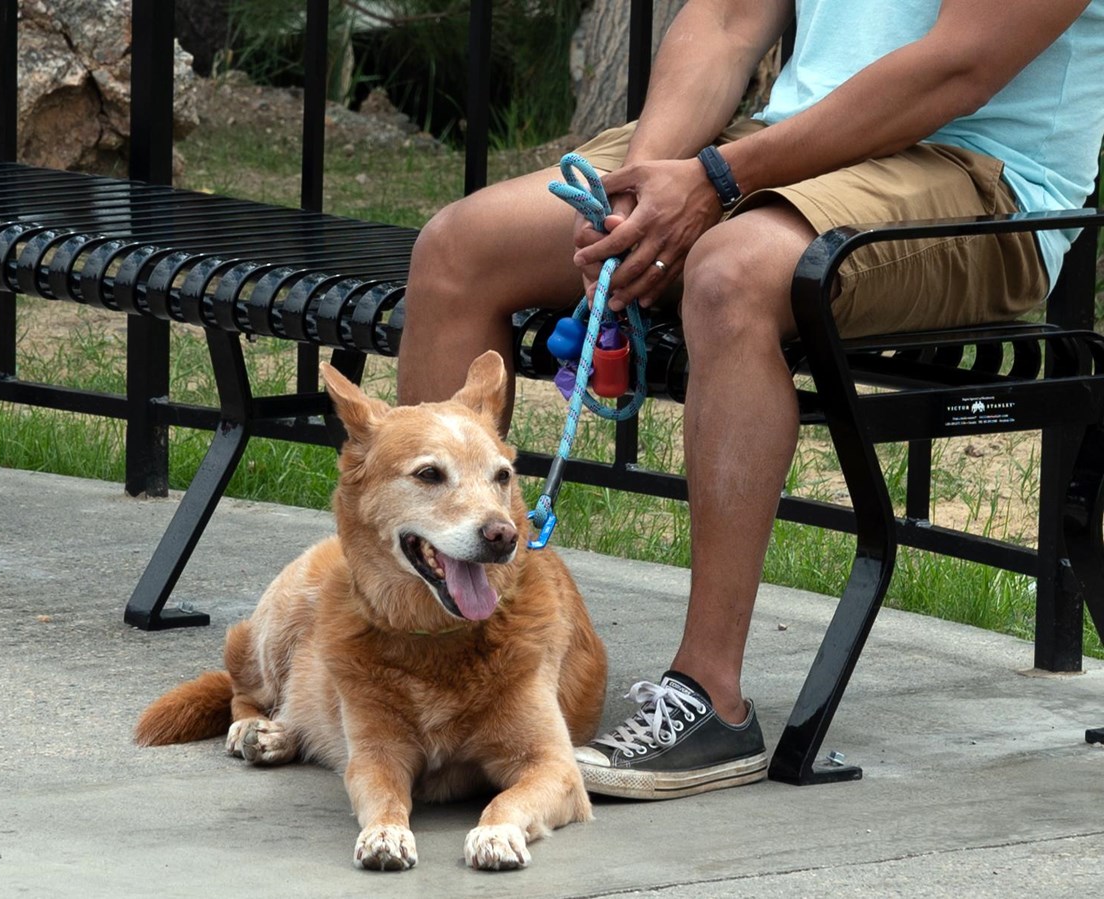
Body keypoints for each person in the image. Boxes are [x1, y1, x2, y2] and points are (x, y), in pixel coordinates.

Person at [396, 0, 1104, 800]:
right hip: (782, 148)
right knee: (461, 249)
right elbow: (727, 24)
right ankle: (418, 654)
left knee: (732, 275)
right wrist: (643, 193)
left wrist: (719, 179)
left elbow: (958, 67)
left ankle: (711, 701)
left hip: (978, 177)